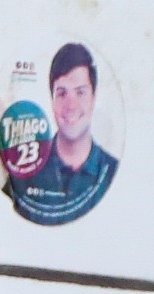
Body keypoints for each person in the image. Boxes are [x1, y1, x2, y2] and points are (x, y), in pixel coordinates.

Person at [12, 38, 119, 224]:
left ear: (94, 98)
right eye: (62, 93)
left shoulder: (114, 175)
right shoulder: (23, 172)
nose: (71, 106)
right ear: (51, 99)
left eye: (80, 92)